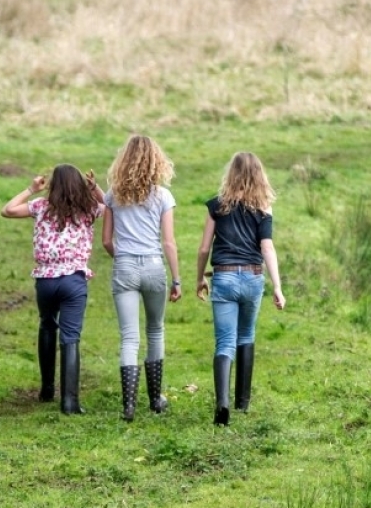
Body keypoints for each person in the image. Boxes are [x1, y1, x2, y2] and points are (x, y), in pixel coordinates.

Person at [0, 164, 104, 415]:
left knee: (47, 325)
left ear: (53, 185)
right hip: (73, 281)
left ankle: (47, 389)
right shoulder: (89, 209)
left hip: (45, 279)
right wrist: (96, 189)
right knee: (70, 336)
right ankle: (69, 402)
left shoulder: (40, 207)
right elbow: (113, 207)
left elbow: (7, 210)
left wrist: (31, 189)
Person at [194, 152, 285, 426]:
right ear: (259, 176)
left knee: (224, 342)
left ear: (230, 174)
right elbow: (266, 247)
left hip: (223, 278)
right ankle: (242, 402)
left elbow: (204, 248)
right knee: (246, 335)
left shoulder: (216, 206)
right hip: (253, 278)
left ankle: (222, 403)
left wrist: (200, 278)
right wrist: (278, 287)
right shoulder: (264, 209)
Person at [101, 135, 182, 422]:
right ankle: (155, 399)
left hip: (124, 266)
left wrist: (122, 259)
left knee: (129, 337)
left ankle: (128, 405)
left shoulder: (112, 195)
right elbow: (169, 243)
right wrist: (176, 279)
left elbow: (107, 241)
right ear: (156, 162)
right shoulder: (162, 196)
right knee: (155, 330)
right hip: (153, 266)